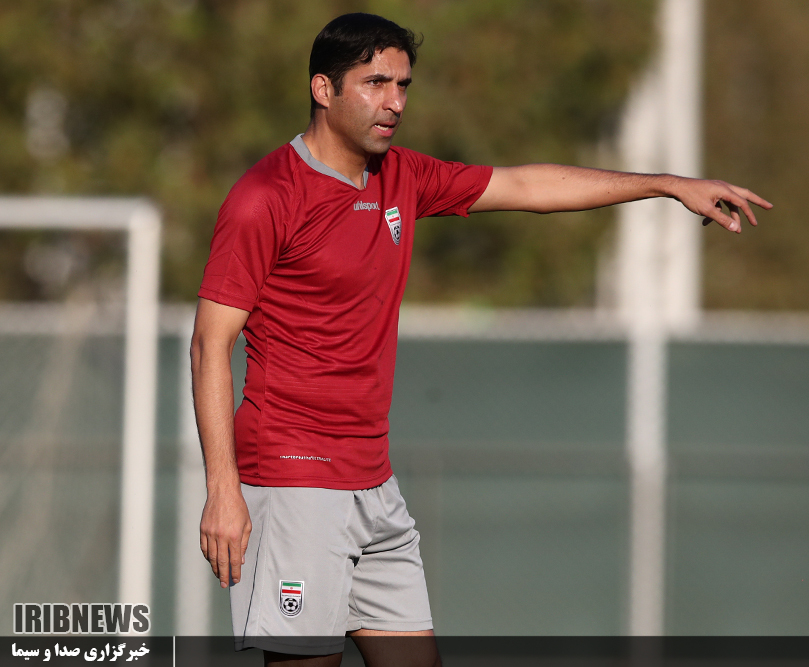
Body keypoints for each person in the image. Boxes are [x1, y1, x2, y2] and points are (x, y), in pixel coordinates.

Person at [191, 12, 771, 667]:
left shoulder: (401, 176)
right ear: (323, 89)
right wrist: (223, 490)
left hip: (373, 483)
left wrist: (665, 185)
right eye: (376, 83)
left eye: (403, 85)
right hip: (293, 479)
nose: (395, 102)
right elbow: (210, 346)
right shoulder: (265, 196)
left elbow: (526, 185)